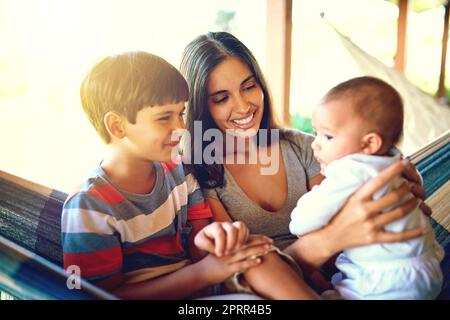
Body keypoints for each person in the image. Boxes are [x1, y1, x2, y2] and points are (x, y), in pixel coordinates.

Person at [179, 32, 431, 293]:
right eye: (221, 98)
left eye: (249, 86)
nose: (243, 106)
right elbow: (237, 266)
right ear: (201, 107)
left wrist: (401, 181)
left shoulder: (307, 148)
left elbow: (349, 214)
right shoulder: (199, 174)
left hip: (359, 281)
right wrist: (327, 241)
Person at [61, 51, 319, 300]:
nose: (181, 127)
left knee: (253, 253)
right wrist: (203, 273)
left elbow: (199, 244)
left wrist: (217, 239)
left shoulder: (180, 173)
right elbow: (93, 296)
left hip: (204, 286)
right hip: (187, 287)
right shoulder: (88, 207)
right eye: (165, 118)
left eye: (181, 113)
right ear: (117, 126)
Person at [289, 76, 444, 299]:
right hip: (427, 266)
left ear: (370, 143)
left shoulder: (352, 170)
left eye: (328, 136)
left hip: (385, 279)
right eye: (316, 133)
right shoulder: (396, 163)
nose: (316, 143)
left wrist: (311, 201)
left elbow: (302, 222)